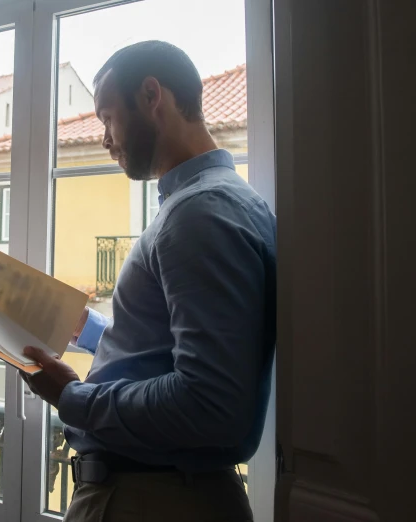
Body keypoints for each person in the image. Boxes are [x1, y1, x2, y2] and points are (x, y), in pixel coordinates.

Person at [23, 41, 276, 521]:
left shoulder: (199, 214)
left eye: (106, 117)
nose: (104, 137)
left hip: (154, 499)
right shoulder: (210, 202)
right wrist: (93, 330)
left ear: (151, 95)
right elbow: (172, 349)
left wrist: (72, 397)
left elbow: (210, 404)